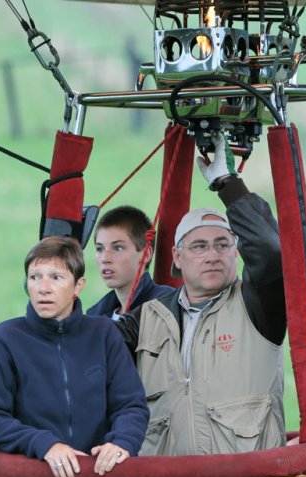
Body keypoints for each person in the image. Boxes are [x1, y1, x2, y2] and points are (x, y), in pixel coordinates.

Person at [117, 133, 287, 456]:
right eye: (199, 246)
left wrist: (228, 183)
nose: (212, 255)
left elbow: (271, 250)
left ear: (236, 253)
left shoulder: (257, 307)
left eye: (222, 245)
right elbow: (88, 350)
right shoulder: (149, 317)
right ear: (177, 259)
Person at [0, 236, 149, 477]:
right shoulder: (5, 339)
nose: (43, 288)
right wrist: (44, 445)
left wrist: (122, 442)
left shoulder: (104, 334)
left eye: (56, 277)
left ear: (78, 286)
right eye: (35, 277)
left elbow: (130, 405)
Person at [86, 205, 173, 320]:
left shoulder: (165, 306)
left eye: (117, 248)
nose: (105, 259)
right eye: (100, 249)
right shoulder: (95, 315)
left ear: (146, 254)